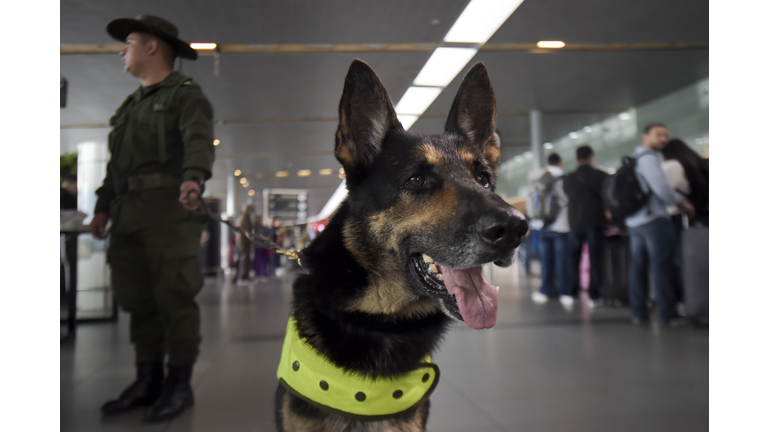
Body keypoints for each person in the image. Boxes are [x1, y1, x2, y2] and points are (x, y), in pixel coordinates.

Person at [89, 15, 215, 422]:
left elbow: (198, 141)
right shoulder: (128, 108)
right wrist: (103, 206)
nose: (121, 52)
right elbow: (115, 168)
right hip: (127, 217)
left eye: (128, 42)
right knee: (138, 301)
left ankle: (179, 385)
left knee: (173, 298)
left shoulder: (184, 95)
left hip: (168, 214)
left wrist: (193, 179)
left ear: (152, 47)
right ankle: (148, 380)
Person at [625, 124, 695, 327]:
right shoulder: (648, 159)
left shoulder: (635, 159)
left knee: (637, 267)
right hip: (653, 219)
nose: (663, 139)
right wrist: (681, 202)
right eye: (659, 135)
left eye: (665, 135)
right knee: (661, 266)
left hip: (635, 221)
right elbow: (661, 188)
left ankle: (639, 312)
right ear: (645, 137)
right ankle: (668, 313)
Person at [563, 146, 609, 308]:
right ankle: (594, 296)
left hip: (575, 223)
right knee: (596, 260)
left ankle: (570, 292)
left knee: (573, 259)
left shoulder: (569, 179)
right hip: (595, 222)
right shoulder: (601, 176)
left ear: (576, 159)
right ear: (591, 158)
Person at [530, 154, 573, 306]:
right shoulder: (563, 177)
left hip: (542, 225)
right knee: (563, 261)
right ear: (559, 163)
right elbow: (566, 200)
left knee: (545, 261)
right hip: (561, 225)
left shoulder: (539, 177)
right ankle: (565, 293)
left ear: (548, 163)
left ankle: (544, 291)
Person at [232, 204, 254, 283]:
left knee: (243, 259)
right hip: (243, 242)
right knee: (244, 259)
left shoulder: (242, 218)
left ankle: (242, 275)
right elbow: (247, 231)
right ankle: (243, 276)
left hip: (242, 242)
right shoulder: (244, 218)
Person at [252, 215, 271, 281]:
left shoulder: (263, 227)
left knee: (264, 260)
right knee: (259, 261)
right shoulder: (255, 228)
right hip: (258, 247)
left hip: (264, 247)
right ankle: (259, 274)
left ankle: (263, 273)